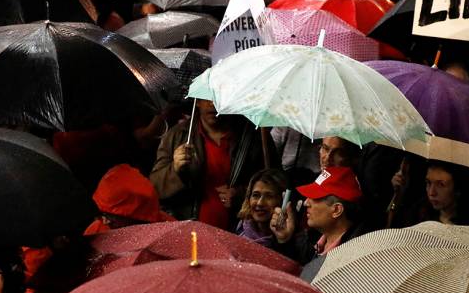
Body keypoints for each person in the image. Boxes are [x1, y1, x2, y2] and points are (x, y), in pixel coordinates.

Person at [150, 99, 274, 229]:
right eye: (208, 98)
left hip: (240, 231)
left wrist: (242, 195)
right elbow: (155, 188)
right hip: (188, 232)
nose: (213, 103)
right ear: (197, 101)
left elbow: (273, 183)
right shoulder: (177, 136)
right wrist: (175, 169)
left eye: (218, 96)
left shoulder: (252, 136)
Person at [271, 166, 363, 281]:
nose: (306, 203)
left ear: (336, 210)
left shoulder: (355, 259)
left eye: (315, 197)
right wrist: (284, 240)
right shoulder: (311, 240)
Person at [236, 168, 290, 248]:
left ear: (282, 201)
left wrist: (283, 239)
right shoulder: (239, 230)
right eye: (256, 195)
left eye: (269, 196)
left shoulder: (291, 241)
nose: (260, 203)